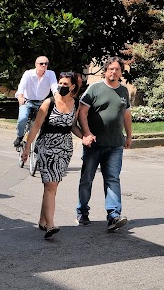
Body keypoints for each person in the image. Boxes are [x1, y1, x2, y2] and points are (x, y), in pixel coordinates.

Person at [21, 72, 83, 239]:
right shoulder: (49, 103)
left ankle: (42, 220)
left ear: (72, 87)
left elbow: (73, 126)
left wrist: (84, 137)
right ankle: (50, 225)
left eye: (65, 84)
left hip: (65, 148)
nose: (61, 86)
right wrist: (27, 148)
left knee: (52, 186)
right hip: (46, 146)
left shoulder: (76, 104)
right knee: (51, 185)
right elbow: (35, 127)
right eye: (60, 83)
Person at [76, 58, 133, 232]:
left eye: (117, 69)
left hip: (115, 144)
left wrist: (129, 136)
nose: (113, 72)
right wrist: (86, 133)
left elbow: (126, 116)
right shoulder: (95, 88)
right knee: (87, 179)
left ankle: (113, 215)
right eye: (110, 69)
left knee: (113, 179)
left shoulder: (124, 91)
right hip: (94, 144)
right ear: (105, 70)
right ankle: (82, 211)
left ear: (121, 72)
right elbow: (82, 112)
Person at [14, 56, 58, 148]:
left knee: (46, 122)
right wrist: (20, 97)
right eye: (41, 63)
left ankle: (40, 142)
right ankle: (20, 136)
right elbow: (22, 86)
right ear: (36, 65)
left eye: (46, 64)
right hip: (27, 100)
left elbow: (54, 87)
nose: (44, 65)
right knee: (22, 119)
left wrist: (58, 98)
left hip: (42, 102)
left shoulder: (50, 74)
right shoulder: (28, 74)